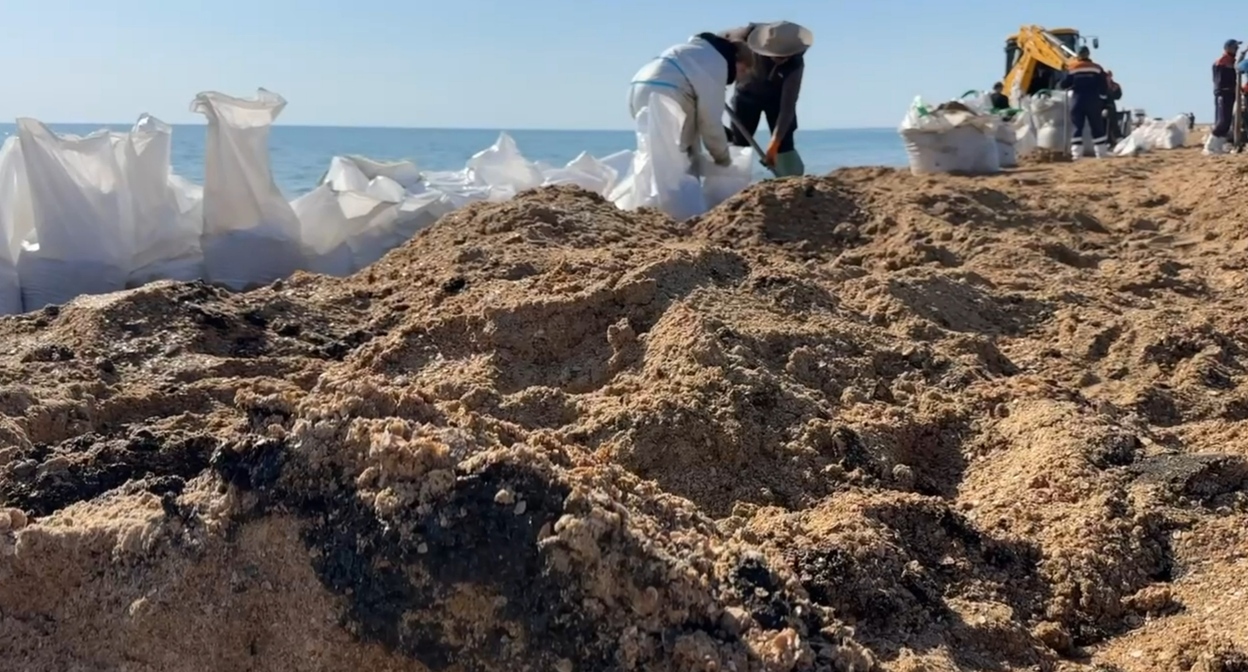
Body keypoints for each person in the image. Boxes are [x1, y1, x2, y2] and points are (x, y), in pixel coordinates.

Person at [629, 32, 754, 169]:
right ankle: (680, 187)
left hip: (638, 87)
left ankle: (655, 187)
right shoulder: (717, 63)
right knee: (680, 151)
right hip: (668, 92)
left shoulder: (695, 50)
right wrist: (724, 160)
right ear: (736, 60)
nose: (739, 78)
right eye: (744, 70)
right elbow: (709, 121)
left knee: (654, 151)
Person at [718, 21, 814, 177]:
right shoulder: (743, 36)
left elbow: (788, 107)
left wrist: (774, 143)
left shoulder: (795, 64)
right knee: (739, 144)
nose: (779, 60)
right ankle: (732, 181)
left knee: (783, 144)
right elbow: (715, 41)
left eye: (783, 56)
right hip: (746, 95)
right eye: (774, 55)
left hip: (777, 100)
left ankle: (791, 181)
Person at [1058, 46, 1111, 159]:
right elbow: (1104, 85)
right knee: (1097, 126)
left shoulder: (1073, 68)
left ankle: (1076, 155)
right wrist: (1104, 100)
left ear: (1078, 55)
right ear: (1088, 54)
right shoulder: (1097, 68)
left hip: (1077, 100)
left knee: (1077, 127)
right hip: (1093, 100)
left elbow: (1063, 85)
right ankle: (1101, 153)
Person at [1206, 39, 1240, 155]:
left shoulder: (1230, 61)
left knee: (1226, 120)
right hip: (1224, 93)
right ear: (1228, 48)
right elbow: (1221, 78)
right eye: (1235, 47)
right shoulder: (1223, 61)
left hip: (1228, 93)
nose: (1237, 49)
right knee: (1223, 121)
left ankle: (1217, 146)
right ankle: (1209, 146)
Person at [1104, 71, 1123, 145]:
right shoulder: (1101, 84)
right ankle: (1108, 140)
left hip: (1111, 106)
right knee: (1104, 125)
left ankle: (1117, 139)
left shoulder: (1115, 85)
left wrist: (1113, 91)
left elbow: (1118, 96)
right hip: (1102, 106)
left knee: (1113, 124)